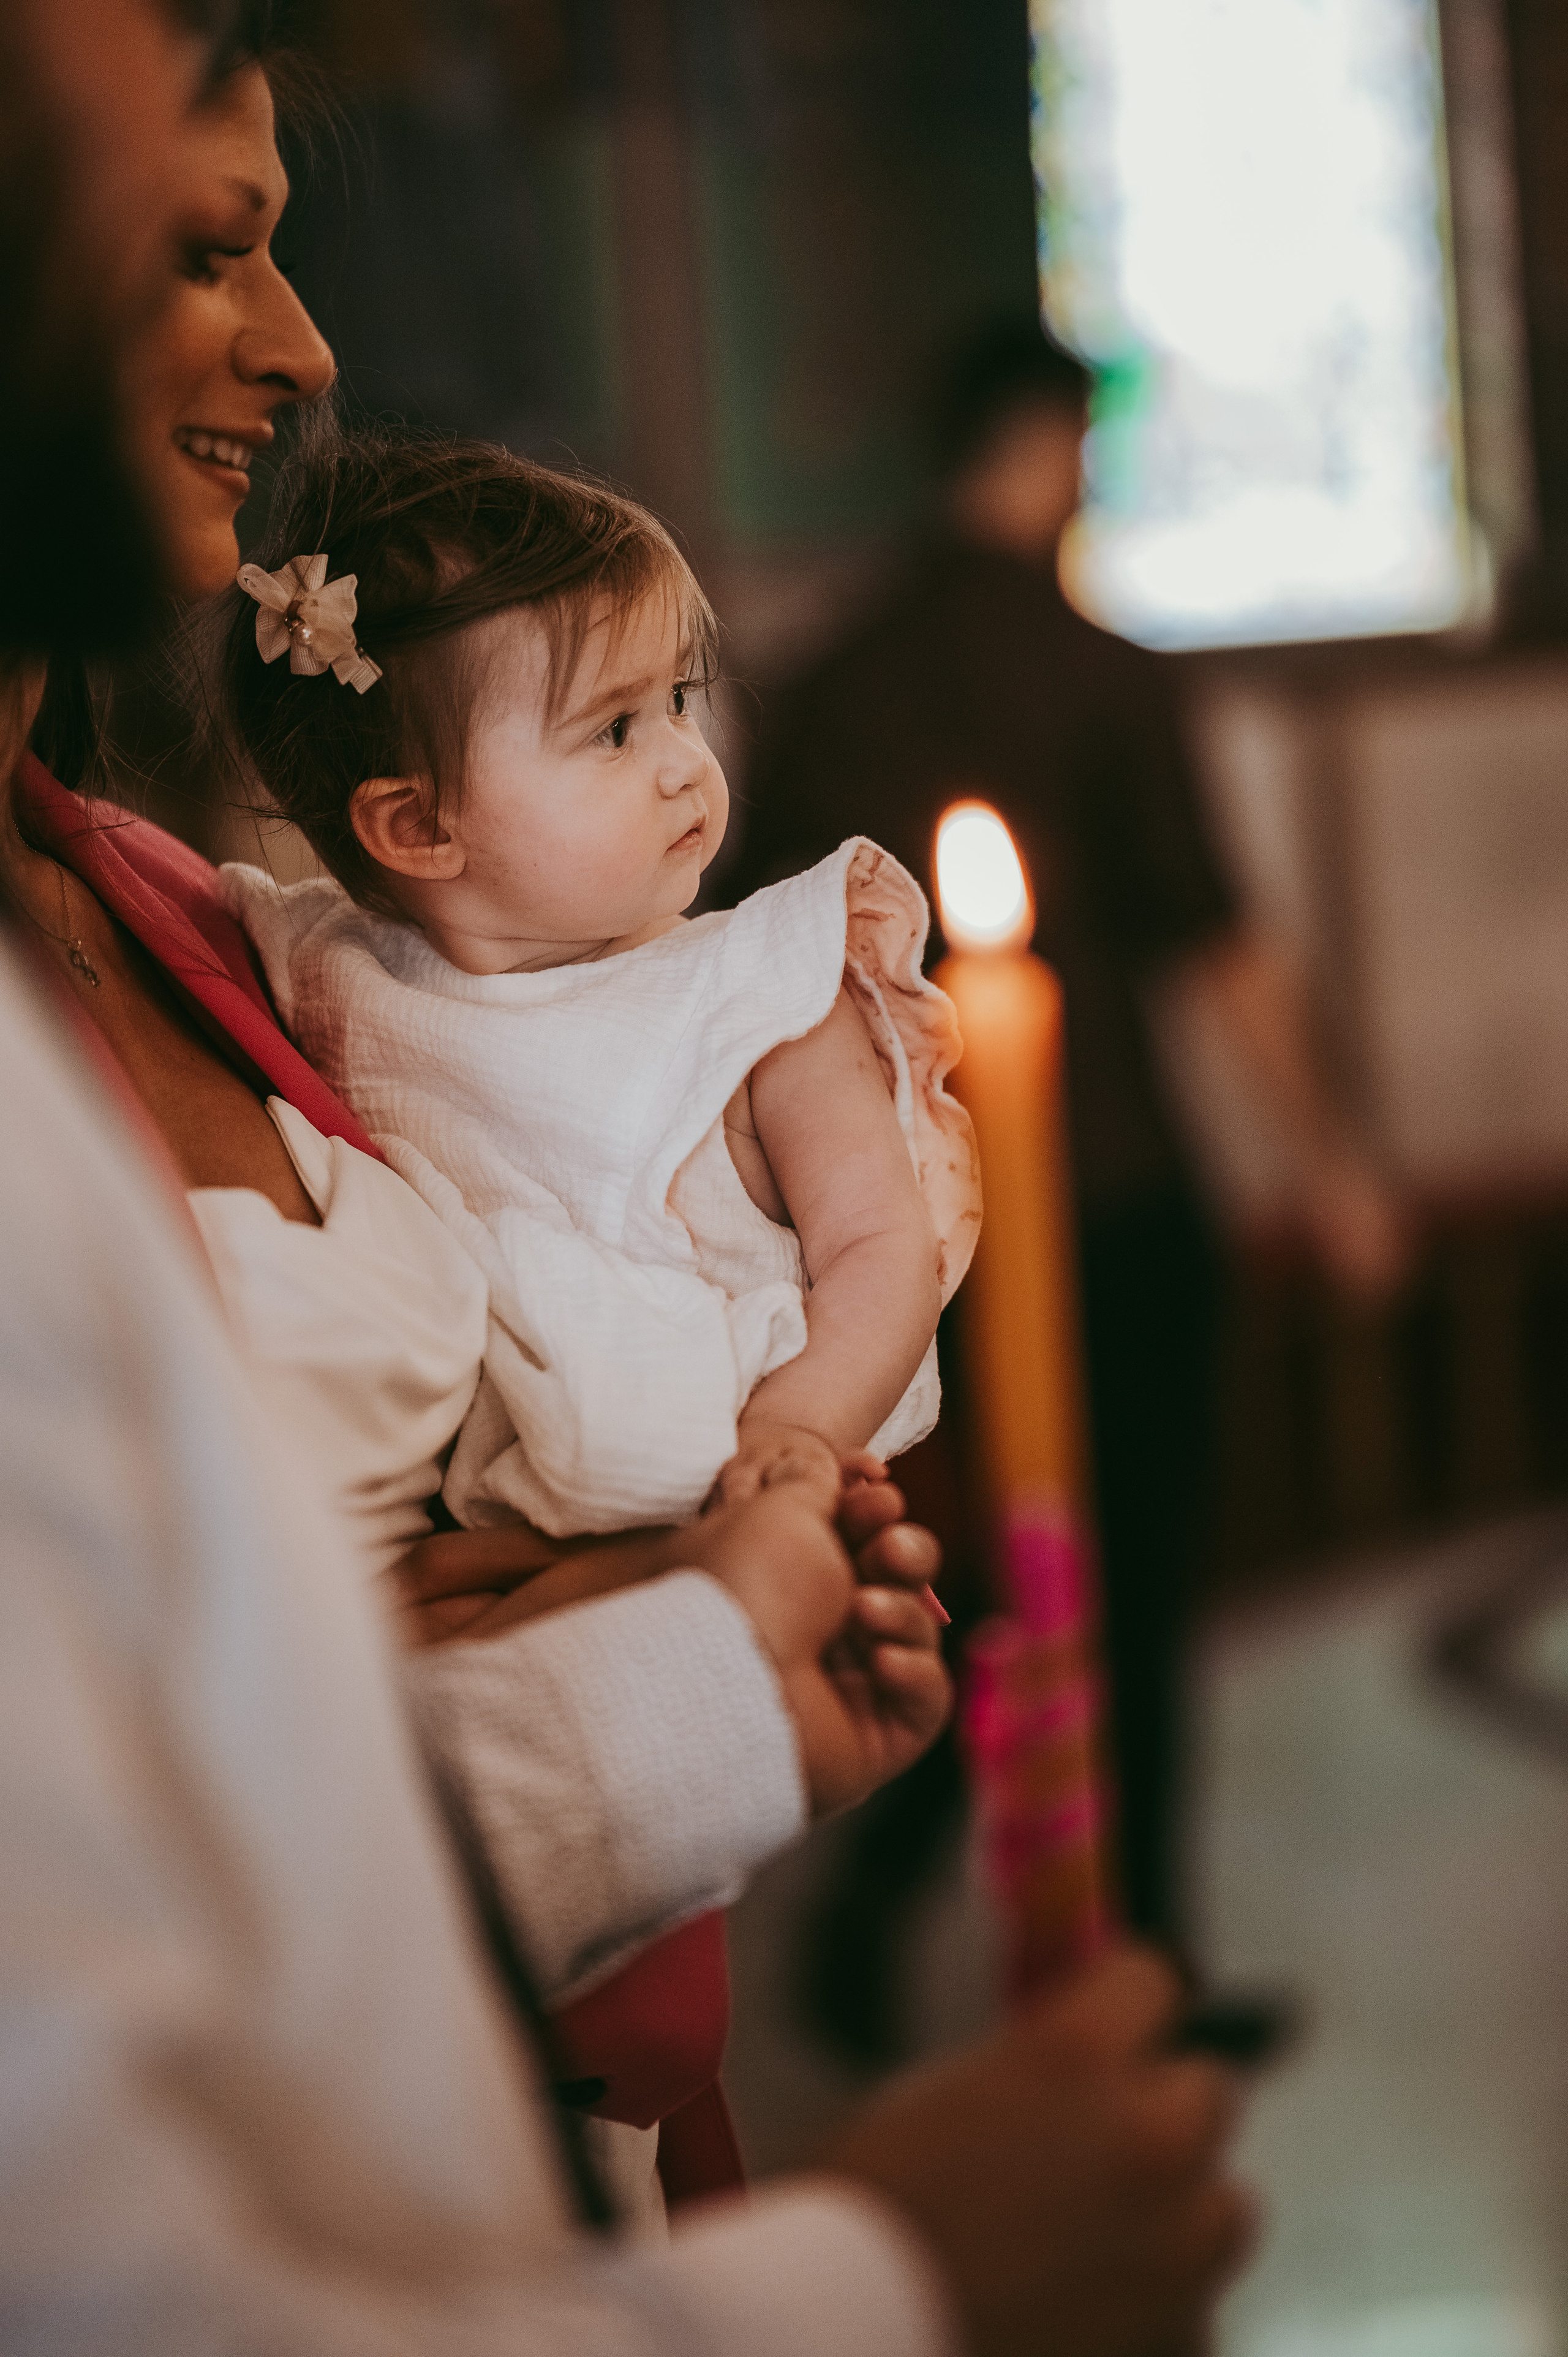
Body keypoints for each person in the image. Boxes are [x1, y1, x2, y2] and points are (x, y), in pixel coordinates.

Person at [0, 11, 1256, 2348]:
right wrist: (905, 2277)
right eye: (204, 238)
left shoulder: (161, 900)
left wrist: (691, 1661)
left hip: (558, 2103)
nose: (305, 343)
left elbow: (223, 1763)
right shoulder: (324, 942)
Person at [733, 315, 1411, 1979]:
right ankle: (1145, 1958)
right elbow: (1218, 944)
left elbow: (747, 973)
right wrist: (1333, 1167)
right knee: (1130, 1581)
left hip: (897, 1232)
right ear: (1053, 447)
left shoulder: (832, 679)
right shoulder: (1093, 663)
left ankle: (883, 1914)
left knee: (982, 1566)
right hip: (1114, 1197)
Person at [206, 422, 982, 1546]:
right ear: (420, 823)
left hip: (746, 1482)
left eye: (678, 698)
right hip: (481, 1526)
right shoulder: (336, 971)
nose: (686, 759)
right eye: (616, 730)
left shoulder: (760, 1002)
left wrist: (797, 1438)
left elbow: (883, 1252)